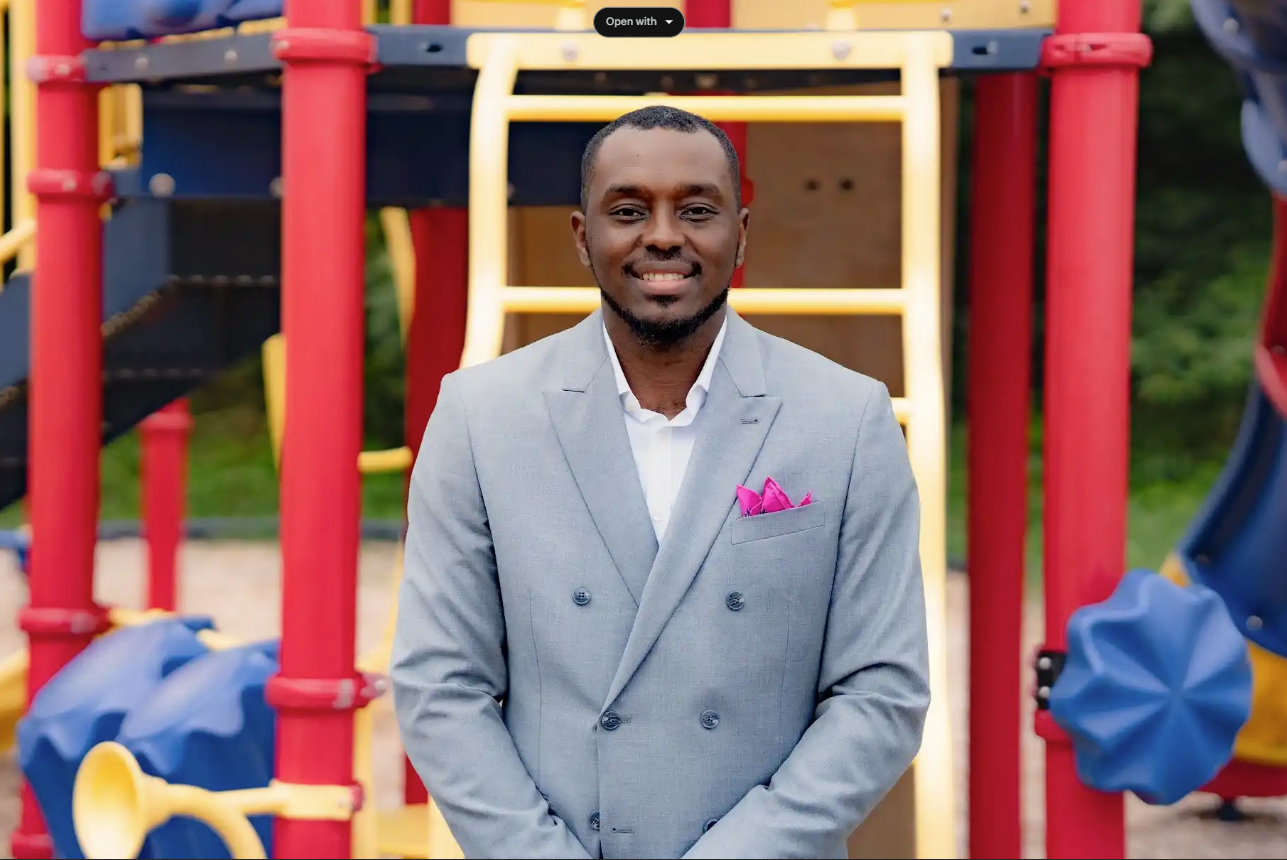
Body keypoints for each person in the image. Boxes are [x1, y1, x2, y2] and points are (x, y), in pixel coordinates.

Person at [390, 105, 930, 860]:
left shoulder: (845, 417)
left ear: (741, 232)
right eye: (628, 210)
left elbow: (880, 694)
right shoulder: (481, 416)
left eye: (697, 209)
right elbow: (439, 685)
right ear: (584, 237)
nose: (664, 235)